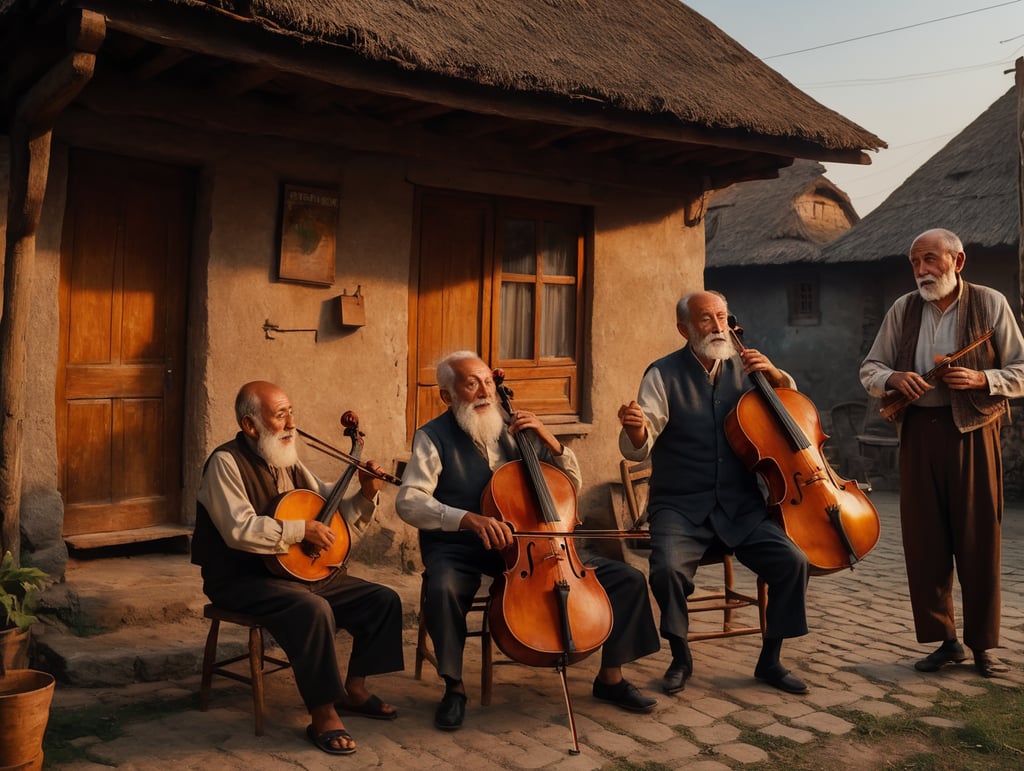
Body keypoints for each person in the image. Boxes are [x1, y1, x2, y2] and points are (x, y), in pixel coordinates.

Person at [396, 352, 660, 730]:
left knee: (628, 580)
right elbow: (409, 501)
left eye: (487, 381)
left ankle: (611, 678)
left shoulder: (516, 429)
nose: (484, 390)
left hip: (532, 547)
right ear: (447, 395)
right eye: (471, 383)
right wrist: (466, 519)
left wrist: (550, 442)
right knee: (442, 587)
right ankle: (454, 688)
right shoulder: (432, 436)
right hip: (463, 547)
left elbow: (567, 486)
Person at [191, 381, 404, 756]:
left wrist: (367, 492)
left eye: (291, 412)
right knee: (312, 608)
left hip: (294, 574)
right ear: (250, 425)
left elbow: (332, 522)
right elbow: (239, 530)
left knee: (381, 599)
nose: (291, 423)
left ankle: (353, 691)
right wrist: (299, 530)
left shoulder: (291, 463)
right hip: (241, 578)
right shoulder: (225, 463)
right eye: (280, 415)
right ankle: (323, 713)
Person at [618, 290, 811, 695]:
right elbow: (642, 439)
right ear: (684, 329)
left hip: (741, 506)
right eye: (707, 319)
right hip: (679, 505)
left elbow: (790, 409)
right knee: (667, 570)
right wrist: (636, 428)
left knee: (792, 560)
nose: (719, 326)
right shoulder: (662, 373)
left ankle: (770, 660)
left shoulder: (749, 368)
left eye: (722, 316)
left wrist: (776, 376)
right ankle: (681, 657)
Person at [860, 228, 1024, 678]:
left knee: (978, 538)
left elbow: (1022, 369)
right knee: (925, 540)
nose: (922, 271)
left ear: (958, 261)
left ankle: (983, 645)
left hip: (973, 432)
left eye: (931, 259)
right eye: (915, 263)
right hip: (918, 433)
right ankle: (946, 641)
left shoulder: (990, 303)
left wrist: (983, 380)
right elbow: (870, 368)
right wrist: (895, 379)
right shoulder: (903, 308)